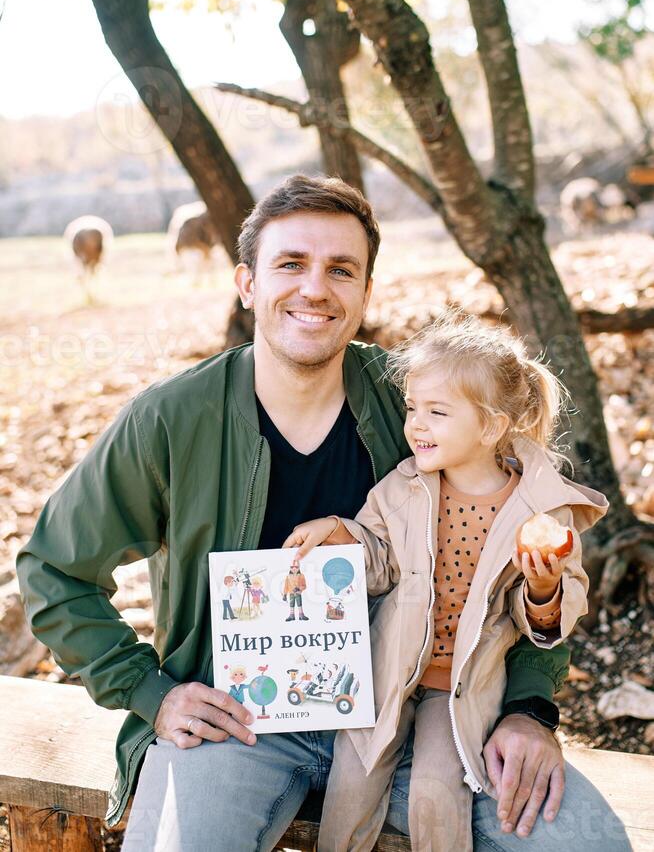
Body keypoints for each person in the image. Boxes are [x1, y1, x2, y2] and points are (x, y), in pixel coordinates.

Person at [15, 175, 629, 851]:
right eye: (291, 265)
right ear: (247, 284)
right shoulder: (172, 418)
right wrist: (150, 692)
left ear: (365, 295)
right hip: (236, 724)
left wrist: (528, 709)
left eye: (341, 270)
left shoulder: (422, 403)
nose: (315, 288)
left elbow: (523, 552)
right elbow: (53, 568)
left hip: (411, 721)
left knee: (584, 840)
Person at [284, 311, 608, 851]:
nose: (416, 425)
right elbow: (379, 557)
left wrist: (544, 588)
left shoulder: (539, 510)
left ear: (491, 425)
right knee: (351, 785)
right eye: (413, 409)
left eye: (437, 412)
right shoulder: (403, 488)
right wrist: (342, 536)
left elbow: (560, 609)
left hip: (459, 684)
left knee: (436, 791)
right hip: (387, 674)